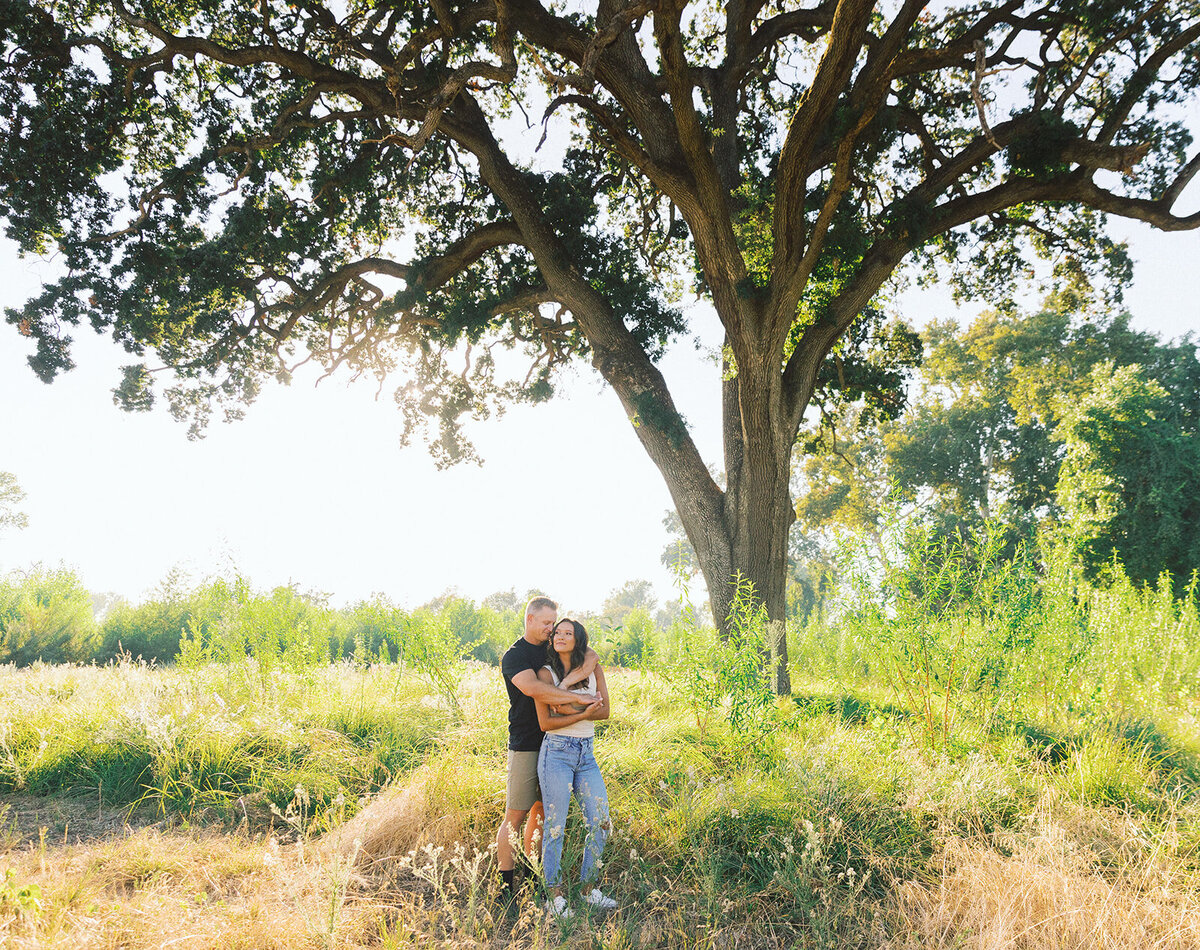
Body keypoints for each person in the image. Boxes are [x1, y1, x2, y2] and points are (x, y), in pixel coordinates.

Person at [497, 596, 600, 899]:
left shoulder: (550, 644)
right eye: (545, 623)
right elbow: (534, 689)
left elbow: (590, 654)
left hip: (558, 743)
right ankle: (505, 886)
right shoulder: (514, 656)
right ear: (529, 619)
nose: (551, 629)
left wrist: (574, 681)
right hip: (527, 743)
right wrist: (579, 699)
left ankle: (532, 875)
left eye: (553, 624)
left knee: (541, 814)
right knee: (516, 814)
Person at [534, 617, 616, 918]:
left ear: (578, 639)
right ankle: (553, 896)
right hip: (556, 752)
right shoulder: (546, 673)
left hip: (586, 754)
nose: (560, 636)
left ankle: (587, 890)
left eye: (568, 633)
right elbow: (548, 719)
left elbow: (605, 709)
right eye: (557, 632)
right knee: (556, 827)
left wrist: (570, 705)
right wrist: (586, 706)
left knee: (601, 821)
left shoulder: (593, 668)